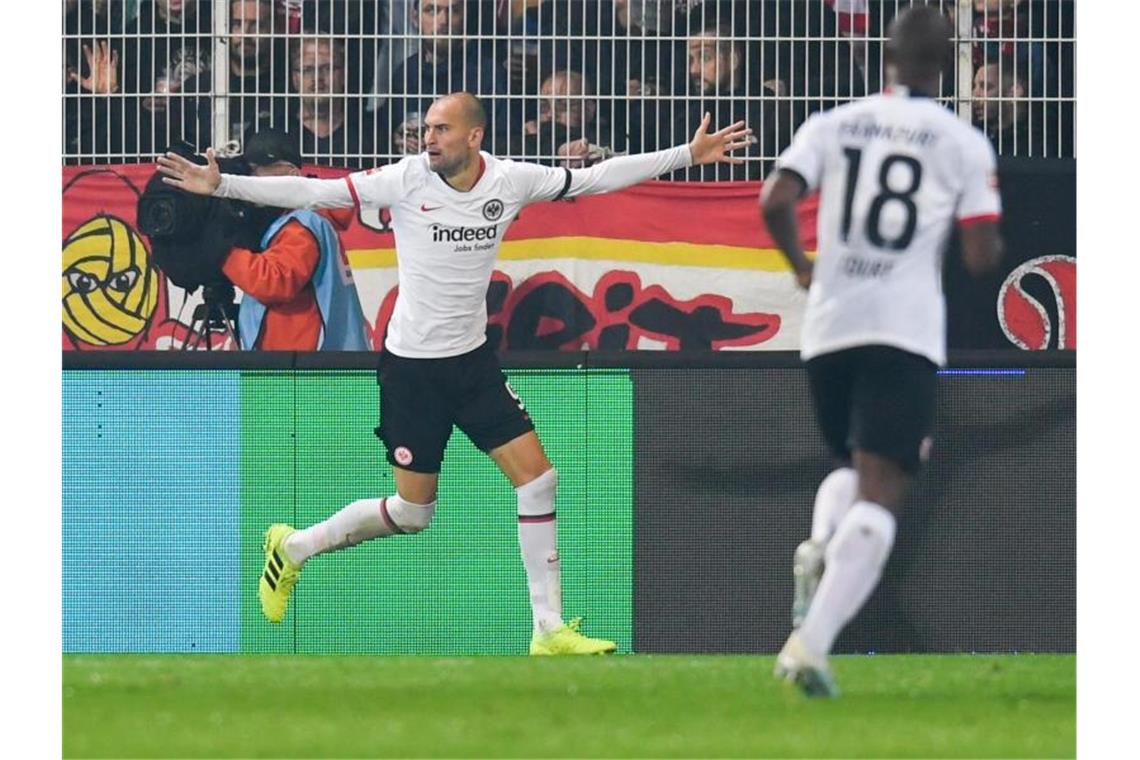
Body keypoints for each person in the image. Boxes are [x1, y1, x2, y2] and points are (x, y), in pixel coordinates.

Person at [157, 91, 750, 654]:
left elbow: (597, 178)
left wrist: (687, 155)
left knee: (539, 480)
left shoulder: (511, 180)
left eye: (441, 129)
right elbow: (318, 194)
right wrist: (222, 184)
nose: (428, 138)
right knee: (414, 513)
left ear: (474, 135)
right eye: (426, 129)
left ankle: (547, 630)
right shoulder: (407, 178)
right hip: (411, 369)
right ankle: (294, 546)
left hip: (471, 363)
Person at [759, 6, 1003, 696]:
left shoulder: (832, 123)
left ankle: (820, 543)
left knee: (852, 463)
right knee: (885, 488)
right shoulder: (961, 139)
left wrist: (802, 266)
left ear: (885, 56)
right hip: (902, 328)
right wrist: (986, 243)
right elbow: (982, 256)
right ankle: (811, 645)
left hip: (830, 327)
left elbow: (774, 199)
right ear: (947, 59)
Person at [221, 129, 370, 350]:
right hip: (313, 363)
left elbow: (274, 283)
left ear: (291, 173)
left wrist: (221, 252)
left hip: (302, 368)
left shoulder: (302, 223)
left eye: (259, 170)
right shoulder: (302, 219)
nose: (251, 180)